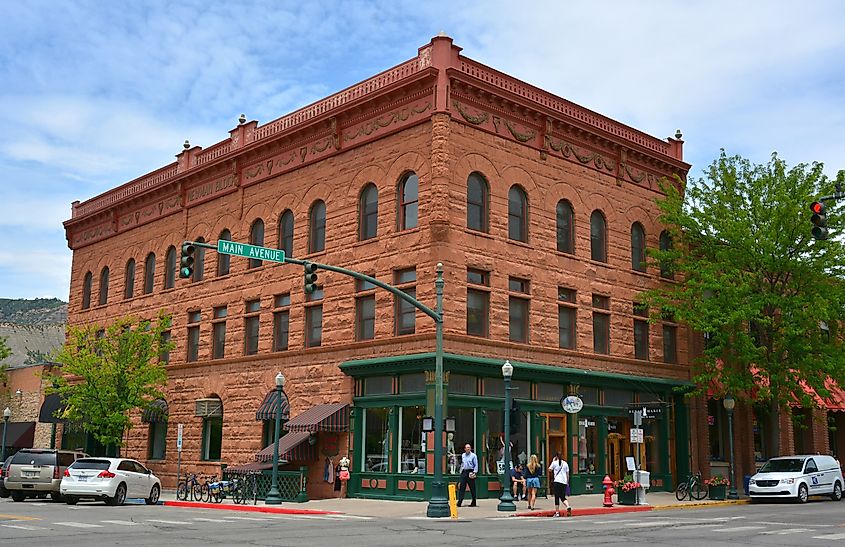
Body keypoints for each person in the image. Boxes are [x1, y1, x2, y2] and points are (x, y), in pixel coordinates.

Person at [548, 452, 571, 517]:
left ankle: (557, 512)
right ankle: (568, 506)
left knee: (557, 497)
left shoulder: (554, 463)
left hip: (557, 481)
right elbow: (567, 474)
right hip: (564, 482)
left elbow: (549, 470)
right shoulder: (565, 463)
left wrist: (553, 461)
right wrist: (567, 482)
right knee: (563, 497)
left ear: (556, 457)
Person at [457, 443, 478, 507]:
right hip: (464, 472)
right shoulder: (463, 455)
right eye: (467, 448)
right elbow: (462, 464)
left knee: (472, 487)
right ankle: (460, 501)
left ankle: (474, 501)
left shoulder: (473, 456)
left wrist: (474, 472)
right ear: (465, 449)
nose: (468, 449)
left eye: (469, 447)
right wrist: (460, 471)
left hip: (470, 471)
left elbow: (476, 464)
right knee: (462, 487)